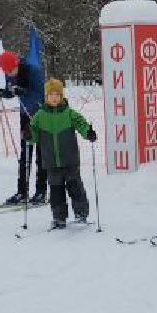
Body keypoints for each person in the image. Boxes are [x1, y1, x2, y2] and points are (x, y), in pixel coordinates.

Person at [29, 78, 97, 229]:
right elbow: (32, 134)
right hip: (51, 162)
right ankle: (59, 218)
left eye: (57, 94)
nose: (54, 97)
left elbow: (81, 124)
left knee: (75, 187)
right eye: (51, 94)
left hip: (69, 160)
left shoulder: (69, 113)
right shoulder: (40, 116)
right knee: (56, 192)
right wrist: (28, 133)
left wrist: (88, 132)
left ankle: (81, 213)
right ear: (46, 97)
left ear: (61, 96)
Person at [0, 50, 48, 206]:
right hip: (25, 114)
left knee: (41, 154)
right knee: (25, 153)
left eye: (12, 71)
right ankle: (22, 192)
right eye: (7, 72)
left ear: (17, 64)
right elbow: (12, 90)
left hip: (40, 114)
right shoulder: (9, 73)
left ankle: (41, 191)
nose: (10, 75)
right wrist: (5, 93)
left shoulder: (33, 71)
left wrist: (24, 91)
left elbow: (41, 95)